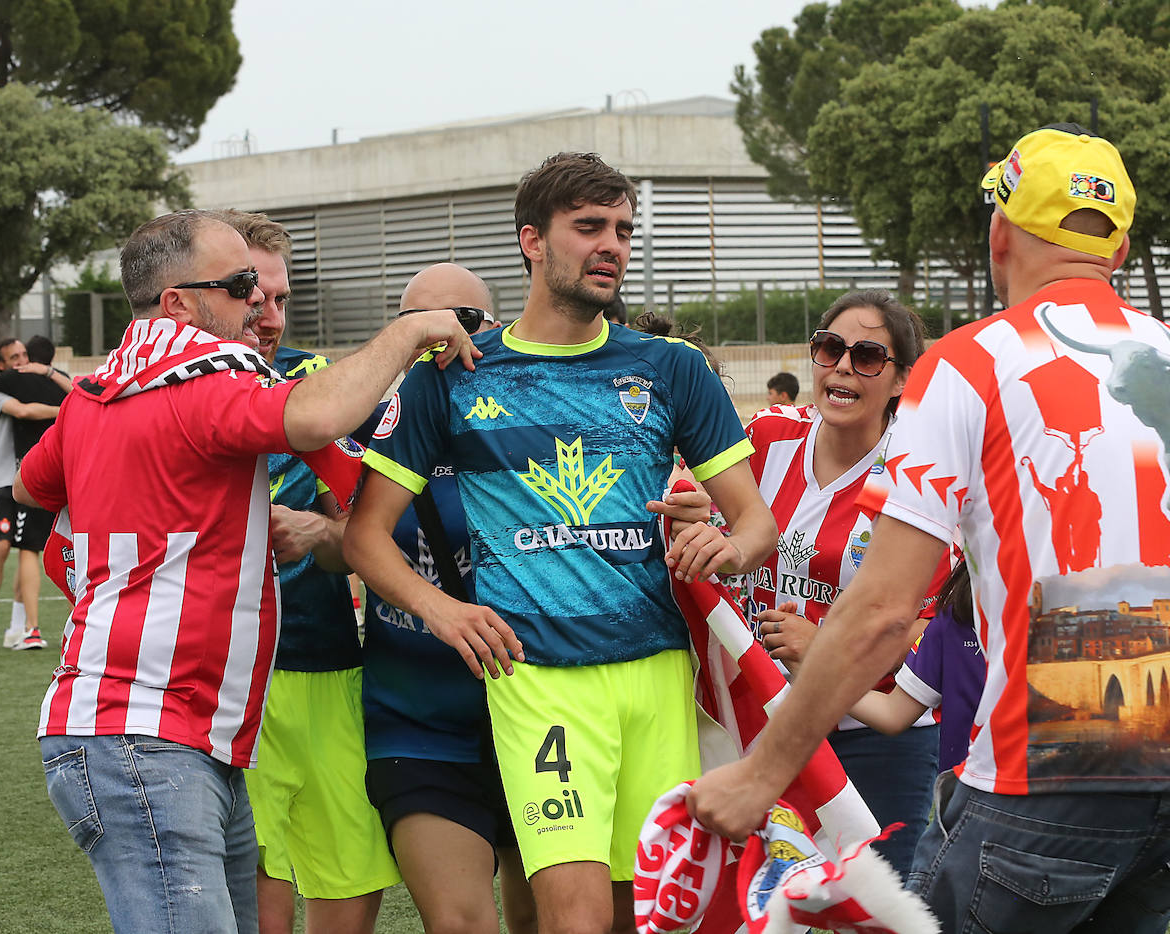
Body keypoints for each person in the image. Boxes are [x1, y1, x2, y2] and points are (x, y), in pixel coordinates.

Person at [689, 124, 1170, 934]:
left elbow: (884, 610)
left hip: (1045, 776)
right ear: (1121, 248)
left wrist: (759, 775)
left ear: (998, 230)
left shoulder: (973, 361)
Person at [344, 152, 776, 934]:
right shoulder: (454, 376)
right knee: (571, 919)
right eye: (588, 227)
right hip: (536, 677)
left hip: (654, 674)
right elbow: (365, 536)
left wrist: (725, 547)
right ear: (532, 241)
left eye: (622, 230)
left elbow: (756, 524)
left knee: (642, 918)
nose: (611, 244)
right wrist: (442, 610)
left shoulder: (671, 369)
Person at [13, 209, 479, 934]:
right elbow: (316, 419)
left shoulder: (95, 392)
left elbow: (31, 490)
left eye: (270, 291)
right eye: (240, 286)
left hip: (173, 732)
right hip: (150, 735)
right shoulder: (211, 371)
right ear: (178, 303)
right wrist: (414, 328)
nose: (261, 306)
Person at [219, 210, 401, 934]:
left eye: (282, 299)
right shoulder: (168, 391)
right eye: (251, 296)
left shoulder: (317, 385)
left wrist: (322, 530)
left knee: (346, 858)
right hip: (225, 676)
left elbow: (364, 532)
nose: (268, 317)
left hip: (325, 664)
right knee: (253, 865)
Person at [743, 290, 945, 878]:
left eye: (868, 357)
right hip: (764, 722)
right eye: (830, 349)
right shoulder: (766, 439)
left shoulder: (915, 473)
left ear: (901, 379)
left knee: (871, 911)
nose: (843, 368)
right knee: (767, 910)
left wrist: (821, 650)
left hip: (873, 740)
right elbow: (715, 530)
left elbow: (918, 633)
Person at [359, 263, 536, 934]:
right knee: (461, 924)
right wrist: (320, 533)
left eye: (459, 322)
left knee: (547, 920)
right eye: (416, 327)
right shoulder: (364, 430)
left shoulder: (530, 429)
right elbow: (345, 537)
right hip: (417, 724)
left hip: (534, 713)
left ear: (494, 329)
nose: (439, 340)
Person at [0, 334, 70, 649]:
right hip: (2, 482)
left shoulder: (23, 382)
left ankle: (17, 626)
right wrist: (66, 411)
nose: (22, 362)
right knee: (2, 548)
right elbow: (24, 411)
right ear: (0, 365)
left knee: (28, 548)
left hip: (24, 483)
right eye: (15, 358)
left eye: (24, 355)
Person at [844, 562, 985, 776]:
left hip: (1034, 790)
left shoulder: (1046, 622)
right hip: (966, 793)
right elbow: (893, 712)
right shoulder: (954, 619)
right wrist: (811, 673)